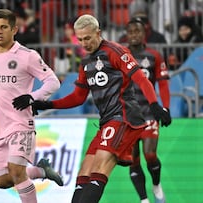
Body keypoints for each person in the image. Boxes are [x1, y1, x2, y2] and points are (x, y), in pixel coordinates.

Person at [33, 14, 172, 203]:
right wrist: (47, 104)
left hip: (124, 117)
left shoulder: (115, 51)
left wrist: (156, 105)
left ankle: (153, 191)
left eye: (88, 38)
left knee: (100, 167)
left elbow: (140, 78)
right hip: (107, 121)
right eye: (80, 39)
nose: (84, 43)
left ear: (98, 32)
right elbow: (78, 97)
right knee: (84, 173)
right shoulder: (86, 62)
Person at [0, 9, 62, 203]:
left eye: (4, 27)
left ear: (14, 29)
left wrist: (32, 96)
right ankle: (41, 171)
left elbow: (53, 81)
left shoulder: (27, 56)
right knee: (1, 180)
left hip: (20, 123)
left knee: (16, 171)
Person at [125, 18, 170, 203]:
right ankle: (143, 199)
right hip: (128, 114)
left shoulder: (154, 55)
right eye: (131, 31)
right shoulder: (121, 55)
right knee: (132, 159)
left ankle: (156, 185)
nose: (134, 34)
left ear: (144, 34)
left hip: (149, 112)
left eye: (138, 31)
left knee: (150, 155)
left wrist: (165, 108)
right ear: (127, 35)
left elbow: (163, 83)